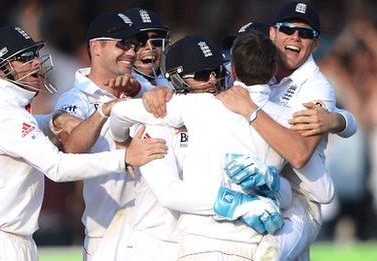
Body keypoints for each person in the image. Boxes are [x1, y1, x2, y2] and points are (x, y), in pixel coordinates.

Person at [0, 25, 166, 261]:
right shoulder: (2, 112)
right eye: (25, 58)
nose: (36, 62)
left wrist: (55, 120)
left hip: (8, 240)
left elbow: (31, 126)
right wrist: (124, 158)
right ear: (1, 69)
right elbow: (58, 167)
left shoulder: (8, 108)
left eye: (34, 55)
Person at [108, 33, 300, 260]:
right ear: (176, 79)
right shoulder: (157, 121)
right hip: (155, 246)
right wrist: (124, 145)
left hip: (202, 241)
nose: (211, 80)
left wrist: (273, 186)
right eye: (200, 75)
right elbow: (169, 194)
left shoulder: (230, 110)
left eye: (217, 72)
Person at [217, 1, 358, 259]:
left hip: (297, 202)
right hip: (250, 192)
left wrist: (251, 109)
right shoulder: (248, 68)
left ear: (315, 43)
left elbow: (299, 153)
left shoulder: (316, 87)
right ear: (273, 34)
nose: (295, 37)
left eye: (305, 33)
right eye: (288, 29)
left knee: (265, 256)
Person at [47, 11, 155, 260]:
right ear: (96, 47)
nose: (131, 52)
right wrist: (105, 110)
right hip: (106, 234)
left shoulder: (147, 87)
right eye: (122, 44)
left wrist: (138, 91)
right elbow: (72, 149)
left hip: (156, 231)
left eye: (134, 45)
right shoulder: (75, 99)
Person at [123, 7, 171, 91]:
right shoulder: (112, 87)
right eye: (141, 40)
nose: (150, 47)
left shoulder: (172, 84)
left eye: (156, 40)